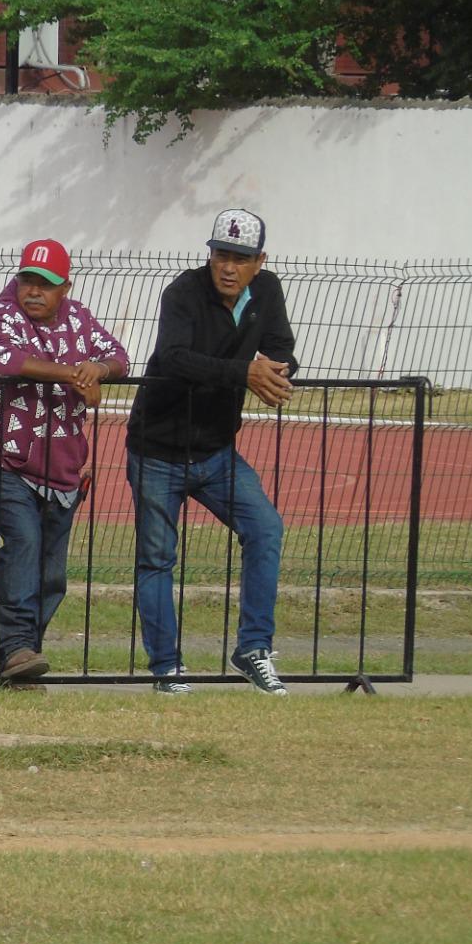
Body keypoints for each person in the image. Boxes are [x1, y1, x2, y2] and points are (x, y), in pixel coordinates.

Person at [126, 208, 296, 696]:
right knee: (157, 559)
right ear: (210, 254)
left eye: (241, 258)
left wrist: (279, 375)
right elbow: (175, 358)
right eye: (221, 254)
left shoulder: (267, 292)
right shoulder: (182, 292)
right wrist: (244, 373)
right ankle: (167, 668)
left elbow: (282, 345)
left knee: (265, 527)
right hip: (157, 450)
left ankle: (254, 648)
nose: (228, 267)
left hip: (218, 451)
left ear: (259, 262)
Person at [0, 239, 128, 684]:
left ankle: (22, 659)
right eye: (27, 281)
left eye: (46, 284)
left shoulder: (79, 319)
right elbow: (5, 358)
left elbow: (119, 357)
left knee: (52, 571)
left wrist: (99, 370)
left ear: (66, 288)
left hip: (63, 469)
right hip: (3, 458)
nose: (33, 291)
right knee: (24, 542)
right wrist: (74, 373)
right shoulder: (4, 316)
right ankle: (16, 647)